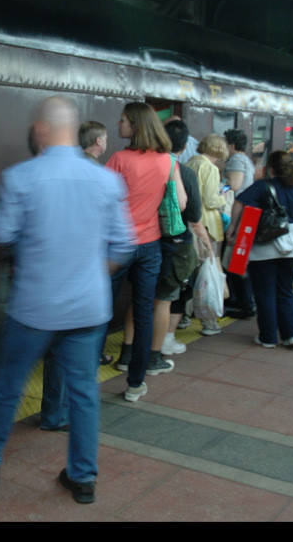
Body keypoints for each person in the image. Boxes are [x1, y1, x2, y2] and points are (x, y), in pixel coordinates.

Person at [0, 96, 135, 504]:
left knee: (7, 385)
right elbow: (123, 244)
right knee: (83, 392)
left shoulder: (22, 177)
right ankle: (83, 477)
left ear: (42, 129)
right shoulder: (106, 180)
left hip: (34, 307)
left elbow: (2, 233)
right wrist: (89, 275)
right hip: (88, 307)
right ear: (74, 131)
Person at [106, 103, 187, 384]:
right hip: (151, 246)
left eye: (123, 120)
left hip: (117, 245)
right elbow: (183, 203)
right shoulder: (168, 161)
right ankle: (136, 383)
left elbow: (101, 200)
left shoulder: (118, 159)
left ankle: (85, 377)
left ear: (136, 126)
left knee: (101, 311)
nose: (119, 124)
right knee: (143, 315)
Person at [228, 151, 293, 349]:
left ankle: (268, 337)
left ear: (271, 169)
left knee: (265, 293)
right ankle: (292, 334)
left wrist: (233, 228)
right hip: (291, 250)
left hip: (263, 250)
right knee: (286, 291)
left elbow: (239, 202)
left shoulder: (262, 187)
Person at [157, 120, 212, 361]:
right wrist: (210, 249)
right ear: (185, 146)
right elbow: (195, 218)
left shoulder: (147, 165)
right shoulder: (185, 173)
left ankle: (136, 346)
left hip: (148, 241)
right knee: (175, 292)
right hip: (178, 243)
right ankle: (165, 342)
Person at [185, 134, 228, 336]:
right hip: (206, 227)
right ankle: (209, 321)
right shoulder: (210, 168)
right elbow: (211, 200)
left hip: (188, 225)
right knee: (208, 274)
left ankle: (183, 316)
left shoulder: (189, 163)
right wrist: (223, 198)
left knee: (188, 272)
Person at [222, 129, 257, 320]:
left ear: (232, 145)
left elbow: (234, 185)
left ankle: (245, 305)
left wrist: (220, 188)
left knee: (236, 262)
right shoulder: (246, 160)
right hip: (247, 215)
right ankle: (240, 300)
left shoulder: (236, 160)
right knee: (237, 262)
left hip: (242, 216)